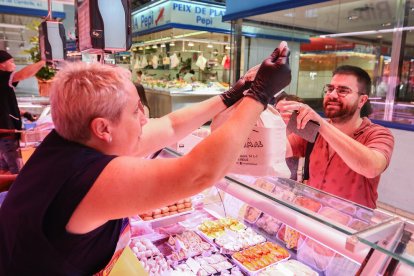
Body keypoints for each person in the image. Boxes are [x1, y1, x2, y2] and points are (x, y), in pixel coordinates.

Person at [0, 42, 291, 274]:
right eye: (135, 110)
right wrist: (259, 96)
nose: (144, 119)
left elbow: (171, 126)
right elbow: (199, 174)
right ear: (102, 128)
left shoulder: (70, 140)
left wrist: (232, 94)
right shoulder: (88, 180)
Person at [277, 65, 394, 208]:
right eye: (330, 89)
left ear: (362, 100)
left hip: (350, 227)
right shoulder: (313, 129)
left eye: (343, 90)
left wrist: (322, 125)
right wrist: (279, 124)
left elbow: (372, 168)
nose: (332, 95)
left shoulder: (377, 134)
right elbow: (277, 151)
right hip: (311, 221)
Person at [0, 50, 46, 175]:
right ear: (1, 65)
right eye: (11, 62)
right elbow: (22, 75)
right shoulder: (1, 77)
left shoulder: (3, 84)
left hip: (6, 136)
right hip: (6, 135)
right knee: (16, 171)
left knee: (4, 168)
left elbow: (5, 107)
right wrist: (43, 61)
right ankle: (11, 193)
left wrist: (25, 113)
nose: (14, 65)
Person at [272, 92, 305, 181]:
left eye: (286, 111)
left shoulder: (303, 139)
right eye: (277, 111)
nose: (280, 115)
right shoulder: (271, 132)